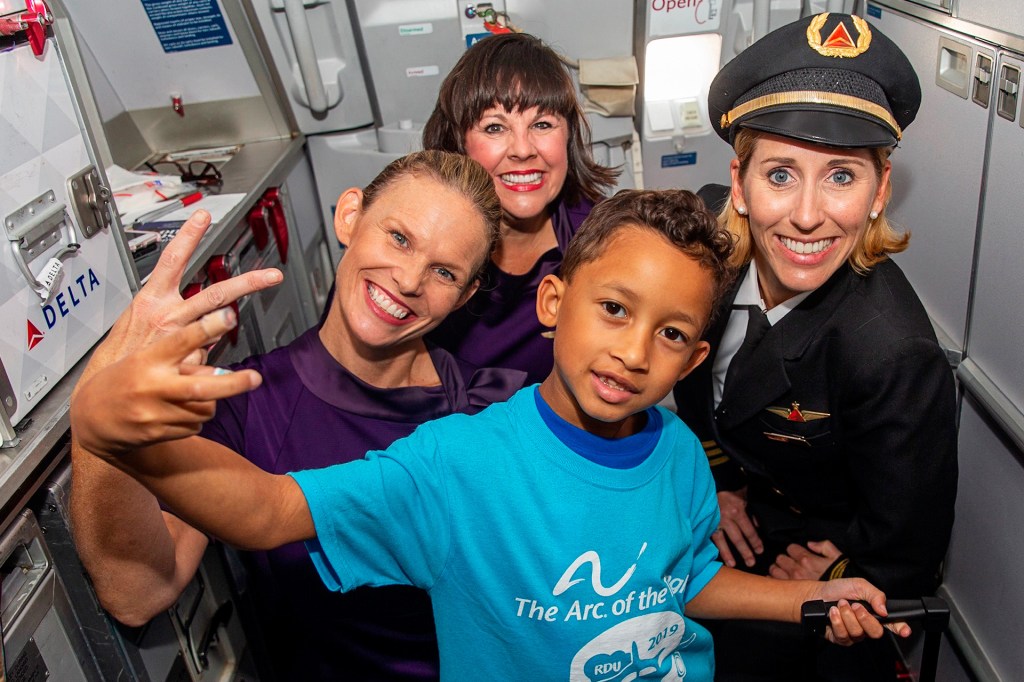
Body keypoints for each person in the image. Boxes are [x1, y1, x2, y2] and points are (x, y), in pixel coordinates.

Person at [71, 189, 911, 681]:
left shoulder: (680, 455)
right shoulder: (458, 464)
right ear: (553, 303)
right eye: (613, 309)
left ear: (693, 359)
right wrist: (111, 431)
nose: (630, 350)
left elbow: (681, 582)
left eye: (668, 334)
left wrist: (808, 597)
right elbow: (262, 512)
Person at [69, 151, 527, 680]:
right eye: (399, 238)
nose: (407, 279)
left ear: (466, 294)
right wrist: (100, 407)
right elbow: (137, 593)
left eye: (444, 271)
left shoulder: (494, 411)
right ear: (350, 215)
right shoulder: (246, 405)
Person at [672, 13, 958, 680]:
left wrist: (837, 571)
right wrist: (711, 483)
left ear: (880, 190)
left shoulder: (890, 350)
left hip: (818, 548)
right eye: (779, 176)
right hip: (718, 511)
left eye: (841, 176)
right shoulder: (698, 250)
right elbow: (676, 374)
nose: (806, 215)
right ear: (737, 185)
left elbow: (909, 548)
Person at [423, 31, 618, 384]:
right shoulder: (419, 242)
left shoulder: (607, 241)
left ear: (568, 136)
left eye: (542, 124)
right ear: (459, 143)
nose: (523, 149)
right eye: (495, 127)